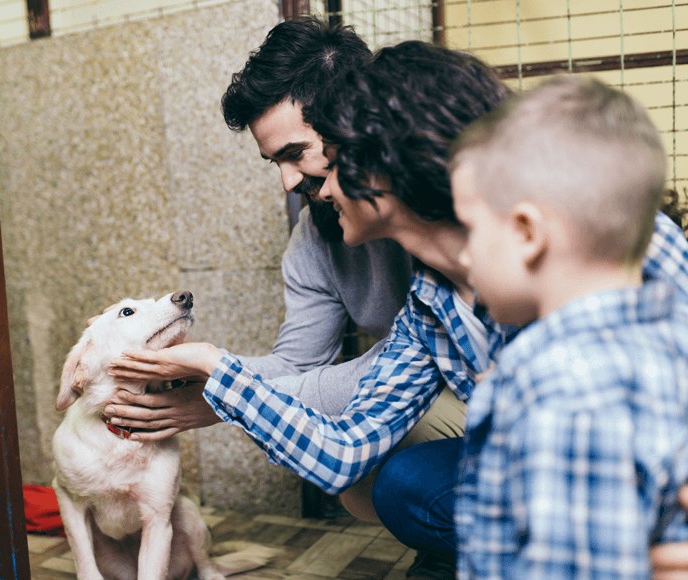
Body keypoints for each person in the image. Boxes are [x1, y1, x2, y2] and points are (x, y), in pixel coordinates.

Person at [108, 42, 688, 579]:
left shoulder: (606, 263)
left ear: (380, 156)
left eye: (328, 156)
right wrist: (216, 370)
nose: (308, 182)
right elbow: (340, 450)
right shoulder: (430, 301)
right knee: (396, 482)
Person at [101, 18, 465, 523]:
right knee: (366, 485)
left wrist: (222, 392)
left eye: (302, 154)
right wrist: (216, 381)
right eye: (273, 162)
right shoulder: (345, 252)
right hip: (442, 393)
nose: (288, 181)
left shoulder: (473, 230)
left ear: (362, 125)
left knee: (405, 475)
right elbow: (311, 384)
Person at [449, 74, 688, 578]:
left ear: (527, 232)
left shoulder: (565, 389)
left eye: (469, 227)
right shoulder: (673, 339)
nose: (465, 254)